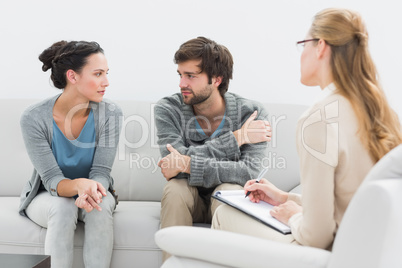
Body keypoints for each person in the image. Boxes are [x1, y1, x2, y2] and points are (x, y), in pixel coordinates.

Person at [212, 8, 402, 250]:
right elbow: (349, 205)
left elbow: (317, 236)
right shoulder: (384, 113)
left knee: (224, 214)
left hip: (329, 254)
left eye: (303, 44)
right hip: (369, 249)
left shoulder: (318, 120)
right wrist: (285, 198)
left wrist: (292, 215)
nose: (301, 55)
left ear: (320, 46)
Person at [155, 36, 272, 260]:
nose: (181, 84)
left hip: (227, 198)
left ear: (216, 79)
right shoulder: (168, 108)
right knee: (175, 189)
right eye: (180, 75)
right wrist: (237, 138)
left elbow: (248, 173)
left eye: (191, 76)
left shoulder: (251, 113)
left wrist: (188, 163)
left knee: (228, 189)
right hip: (190, 200)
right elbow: (171, 165)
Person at [19, 40, 122, 268]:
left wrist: (90, 189)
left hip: (95, 189)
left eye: (106, 73)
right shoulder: (34, 118)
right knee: (63, 207)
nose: (106, 82)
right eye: (97, 74)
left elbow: (101, 171)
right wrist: (77, 187)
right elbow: (52, 179)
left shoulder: (111, 113)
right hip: (48, 195)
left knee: (100, 206)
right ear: (72, 77)